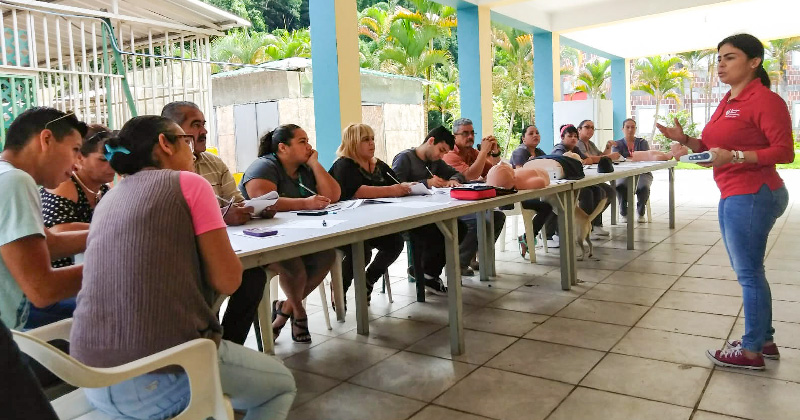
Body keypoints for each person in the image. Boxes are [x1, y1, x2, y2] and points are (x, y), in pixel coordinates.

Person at [70, 115, 296, 419]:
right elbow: (229, 281)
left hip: (91, 376)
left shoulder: (110, 197)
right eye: (185, 141)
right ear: (165, 144)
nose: (193, 151)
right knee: (281, 385)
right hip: (157, 375)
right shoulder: (189, 183)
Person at [657, 33, 793, 371]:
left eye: (729, 57)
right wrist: (687, 141)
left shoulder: (765, 100)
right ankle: (764, 340)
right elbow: (712, 150)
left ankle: (750, 351)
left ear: (754, 62)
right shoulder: (728, 102)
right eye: (718, 58)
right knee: (750, 272)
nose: (720, 64)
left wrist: (734, 154)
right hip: (733, 191)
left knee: (749, 274)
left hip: (754, 193)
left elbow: (785, 152)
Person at [162, 101, 270, 346]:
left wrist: (256, 209)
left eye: (204, 124)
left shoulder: (214, 163)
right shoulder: (163, 173)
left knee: (254, 276)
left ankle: (228, 346)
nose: (204, 132)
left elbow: (237, 203)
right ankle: (205, 345)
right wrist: (222, 216)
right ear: (174, 133)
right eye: (196, 125)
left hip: (231, 245)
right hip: (184, 257)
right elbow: (174, 221)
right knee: (218, 279)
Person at [240, 124, 339, 343]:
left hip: (298, 235)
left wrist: (314, 163)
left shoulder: (304, 168)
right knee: (294, 266)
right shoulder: (264, 166)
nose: (309, 146)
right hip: (263, 239)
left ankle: (284, 311)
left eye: (308, 141)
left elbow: (333, 195)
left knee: (328, 255)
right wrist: (305, 203)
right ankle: (299, 313)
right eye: (302, 142)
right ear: (283, 147)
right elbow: (261, 198)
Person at [0, 107, 88, 332]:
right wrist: (118, 267)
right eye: (75, 149)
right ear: (46, 138)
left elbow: (48, 243)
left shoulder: (6, 176)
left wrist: (113, 233)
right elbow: (42, 289)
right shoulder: (15, 181)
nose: (77, 165)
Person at [24, 128, 115, 330]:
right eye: (103, 159)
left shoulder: (105, 190)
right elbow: (58, 231)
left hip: (58, 287)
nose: (111, 165)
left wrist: (112, 233)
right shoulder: (26, 181)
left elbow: (52, 242)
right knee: (114, 306)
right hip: (45, 296)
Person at [328, 123, 408, 306]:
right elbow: (357, 191)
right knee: (361, 251)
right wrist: (392, 190)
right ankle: (340, 288)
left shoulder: (378, 164)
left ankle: (368, 280)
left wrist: (408, 187)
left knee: (395, 242)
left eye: (372, 139)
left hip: (374, 223)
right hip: (347, 226)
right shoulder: (344, 164)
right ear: (353, 143)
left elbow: (397, 183)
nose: (372, 143)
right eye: (366, 140)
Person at [392, 126, 466, 294]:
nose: (441, 156)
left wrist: (453, 180)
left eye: (444, 153)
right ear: (431, 141)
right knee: (441, 232)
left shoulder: (435, 162)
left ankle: (428, 273)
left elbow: (458, 174)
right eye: (441, 150)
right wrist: (426, 183)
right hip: (408, 216)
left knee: (458, 228)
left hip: (430, 212)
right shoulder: (404, 159)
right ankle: (424, 271)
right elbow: (395, 187)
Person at [442, 118, 506, 275]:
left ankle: (471, 256)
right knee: (478, 220)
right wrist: (484, 152)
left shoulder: (472, 152)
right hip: (449, 205)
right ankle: (457, 263)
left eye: (472, 133)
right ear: (454, 136)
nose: (470, 137)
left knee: (497, 217)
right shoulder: (450, 154)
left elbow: (492, 171)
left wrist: (495, 151)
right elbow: (470, 175)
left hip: (469, 202)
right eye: (465, 133)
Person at [553, 124, 612, 237]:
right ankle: (585, 227)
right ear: (562, 137)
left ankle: (594, 224)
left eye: (575, 136)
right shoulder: (558, 149)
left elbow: (588, 160)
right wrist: (579, 161)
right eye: (570, 136)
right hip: (565, 185)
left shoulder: (575, 149)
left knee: (605, 191)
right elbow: (565, 162)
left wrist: (580, 161)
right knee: (588, 193)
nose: (574, 139)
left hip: (579, 180)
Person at [509, 125, 555, 256]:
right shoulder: (520, 152)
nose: (535, 135)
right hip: (519, 196)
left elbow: (548, 167)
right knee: (547, 206)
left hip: (535, 191)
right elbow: (519, 173)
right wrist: (529, 166)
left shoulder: (539, 152)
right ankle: (528, 237)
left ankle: (547, 235)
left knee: (554, 202)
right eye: (531, 133)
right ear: (523, 138)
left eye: (537, 133)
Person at [576, 119, 617, 236]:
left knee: (610, 191)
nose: (590, 130)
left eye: (592, 128)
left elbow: (602, 156)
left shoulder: (591, 144)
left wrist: (608, 147)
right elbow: (590, 159)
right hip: (583, 179)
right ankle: (588, 226)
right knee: (596, 192)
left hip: (592, 176)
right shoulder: (578, 144)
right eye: (587, 127)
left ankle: (594, 223)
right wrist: (610, 157)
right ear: (579, 130)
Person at [612, 118, 653, 223]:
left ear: (636, 129)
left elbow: (646, 157)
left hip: (643, 172)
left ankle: (641, 211)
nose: (630, 129)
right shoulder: (617, 144)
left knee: (643, 186)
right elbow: (616, 159)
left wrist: (627, 158)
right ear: (622, 129)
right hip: (623, 173)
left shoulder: (642, 142)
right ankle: (623, 212)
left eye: (632, 127)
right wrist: (636, 157)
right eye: (627, 127)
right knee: (620, 186)